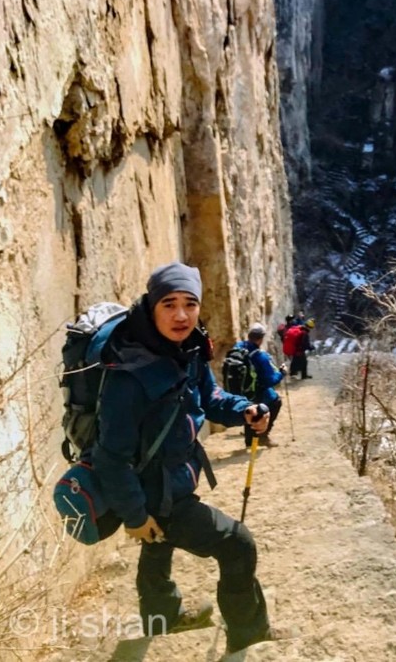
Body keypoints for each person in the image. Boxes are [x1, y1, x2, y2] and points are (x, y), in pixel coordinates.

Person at [91, 261, 274, 651]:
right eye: (169, 304)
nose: (181, 315)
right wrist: (136, 515)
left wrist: (243, 409)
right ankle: (249, 637)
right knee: (238, 544)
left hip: (169, 480)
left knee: (157, 544)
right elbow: (110, 457)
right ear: (152, 306)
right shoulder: (128, 374)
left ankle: (163, 620)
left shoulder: (187, 350)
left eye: (190, 304)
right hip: (156, 494)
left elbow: (210, 398)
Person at [238, 323, 286, 448]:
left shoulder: (238, 347)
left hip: (241, 389)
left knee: (248, 408)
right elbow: (269, 381)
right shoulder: (261, 357)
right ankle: (263, 436)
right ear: (261, 339)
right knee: (275, 401)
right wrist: (281, 373)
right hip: (256, 391)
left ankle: (249, 441)